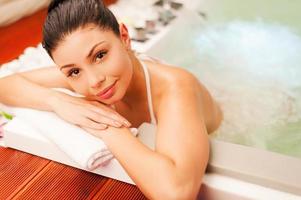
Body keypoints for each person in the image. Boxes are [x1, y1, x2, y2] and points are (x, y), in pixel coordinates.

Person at [0, 0, 223, 199]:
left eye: (100, 55)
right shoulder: (87, 75)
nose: (94, 81)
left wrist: (106, 125)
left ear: (124, 37)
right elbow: (5, 85)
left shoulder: (176, 86)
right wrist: (58, 102)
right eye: (74, 72)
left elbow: (176, 193)